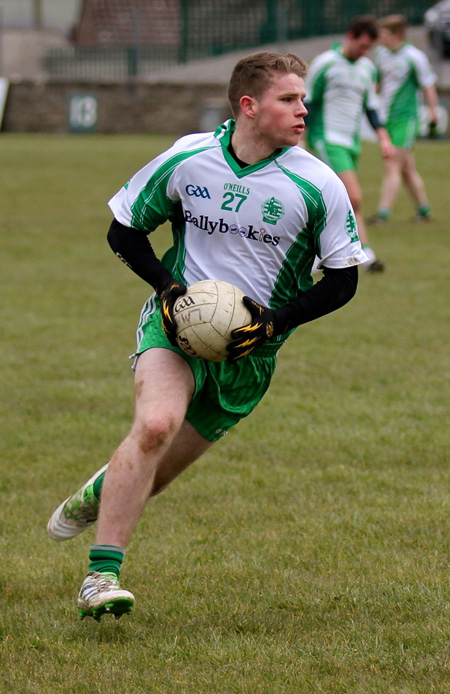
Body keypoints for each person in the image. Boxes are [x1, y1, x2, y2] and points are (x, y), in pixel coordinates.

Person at [47, 51, 369, 622]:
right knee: (154, 426)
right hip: (174, 327)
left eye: (303, 99)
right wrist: (170, 290)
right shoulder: (189, 157)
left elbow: (343, 281)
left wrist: (273, 322)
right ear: (249, 106)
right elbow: (125, 233)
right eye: (289, 100)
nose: (304, 110)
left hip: (250, 355)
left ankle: (97, 494)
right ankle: (102, 575)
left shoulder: (317, 183)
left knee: (159, 469)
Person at [304, 15, 394, 272]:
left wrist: (383, 137)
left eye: (369, 49)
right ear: (350, 37)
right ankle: (362, 252)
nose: (365, 52)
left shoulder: (367, 68)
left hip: (351, 143)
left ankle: (349, 254)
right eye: (362, 46)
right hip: (327, 138)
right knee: (352, 197)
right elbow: (307, 103)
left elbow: (371, 106)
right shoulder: (325, 63)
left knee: (336, 200)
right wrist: (299, 138)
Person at [367, 14, 439, 224]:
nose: (380, 39)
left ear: (397, 35)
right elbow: (378, 85)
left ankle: (382, 214)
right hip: (387, 117)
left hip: (406, 119)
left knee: (392, 164)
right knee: (407, 168)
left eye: (384, 35)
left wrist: (432, 111)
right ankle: (425, 211)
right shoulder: (381, 55)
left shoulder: (414, 57)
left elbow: (428, 85)